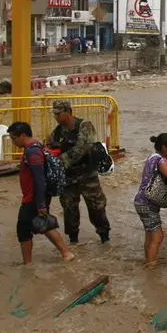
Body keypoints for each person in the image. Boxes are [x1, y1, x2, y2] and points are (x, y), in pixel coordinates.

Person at [7, 122, 74, 265]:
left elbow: (39, 179)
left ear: (23, 135)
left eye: (14, 138)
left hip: (34, 197)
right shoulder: (36, 147)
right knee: (43, 224)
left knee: (23, 229)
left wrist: (40, 204)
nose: (13, 142)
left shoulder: (33, 152)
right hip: (37, 196)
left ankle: (28, 265)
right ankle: (66, 253)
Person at [47, 100, 111, 244]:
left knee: (96, 208)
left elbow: (83, 148)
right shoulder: (56, 133)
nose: (56, 117)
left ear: (68, 112)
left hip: (87, 176)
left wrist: (60, 162)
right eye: (54, 114)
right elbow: (49, 150)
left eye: (59, 113)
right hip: (68, 178)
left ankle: (104, 236)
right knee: (69, 210)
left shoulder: (84, 126)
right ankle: (73, 239)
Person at [134, 133, 167, 268]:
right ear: (164, 147)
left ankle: (148, 261)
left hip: (141, 201)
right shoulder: (161, 161)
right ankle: (150, 267)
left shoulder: (152, 157)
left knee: (150, 236)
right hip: (147, 203)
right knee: (158, 237)